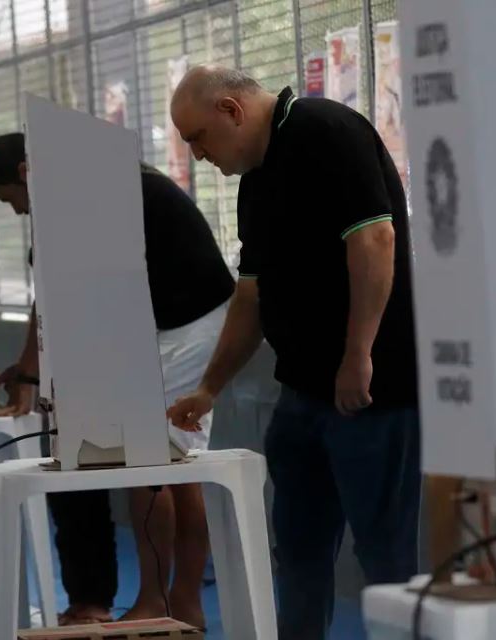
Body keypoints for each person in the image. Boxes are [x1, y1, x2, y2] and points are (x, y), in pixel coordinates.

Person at [167, 66, 420, 639]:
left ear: (231, 110)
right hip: (304, 394)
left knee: (385, 557)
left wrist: (359, 354)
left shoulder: (325, 129)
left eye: (196, 137)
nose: (197, 154)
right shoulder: (256, 181)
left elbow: (374, 238)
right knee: (299, 551)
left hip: (373, 392)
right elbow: (252, 293)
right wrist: (210, 387)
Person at [0, 133, 234, 628]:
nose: (15, 213)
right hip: (185, 319)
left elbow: (50, 297)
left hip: (188, 324)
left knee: (149, 463)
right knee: (175, 466)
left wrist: (31, 373)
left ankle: (159, 602)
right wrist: (34, 368)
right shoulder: (100, 181)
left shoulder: (76, 194)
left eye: (10, 199)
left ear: (26, 174)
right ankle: (182, 603)